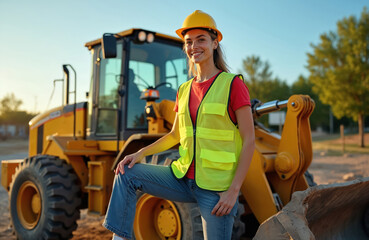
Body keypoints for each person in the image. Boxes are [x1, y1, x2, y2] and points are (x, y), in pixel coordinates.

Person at [103, 10, 255, 240]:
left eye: (201, 39)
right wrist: (139, 154)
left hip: (215, 190)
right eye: (189, 42)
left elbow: (249, 140)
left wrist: (233, 192)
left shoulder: (232, 84)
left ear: (215, 43)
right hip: (182, 178)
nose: (194, 46)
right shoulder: (184, 89)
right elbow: (175, 134)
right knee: (126, 173)